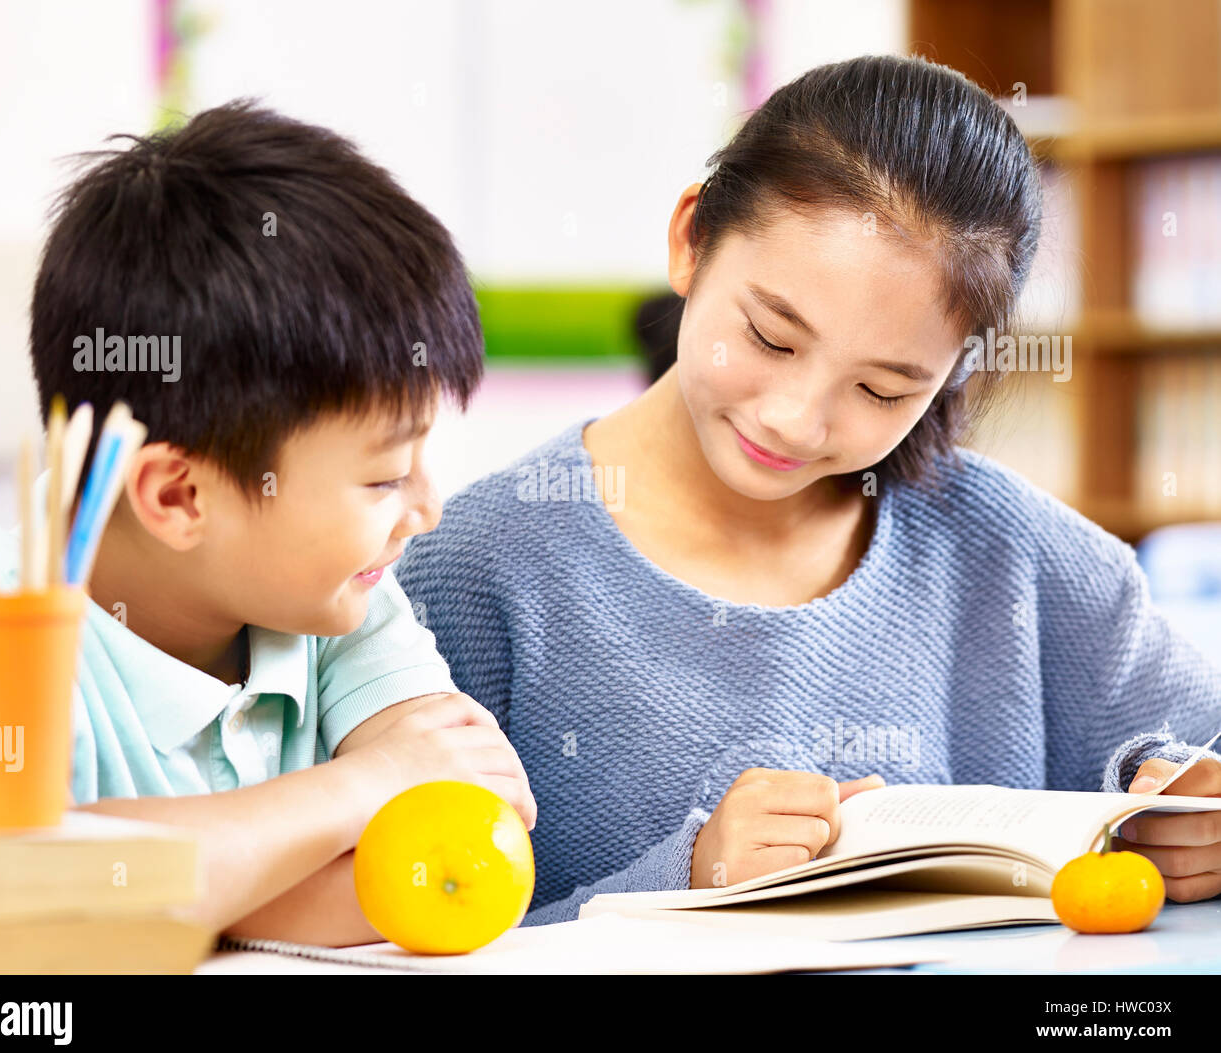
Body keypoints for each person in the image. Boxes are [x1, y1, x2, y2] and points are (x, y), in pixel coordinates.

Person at [395, 54, 1221, 926]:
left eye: (882, 390)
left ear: (950, 378)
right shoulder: (473, 575)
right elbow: (395, 931)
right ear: (691, 239)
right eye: (770, 337)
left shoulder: (1024, 558)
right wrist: (683, 878)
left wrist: (1192, 811)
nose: (795, 420)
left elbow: (1195, 752)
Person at [0, 101, 535, 946]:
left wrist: (166, 884)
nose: (424, 509)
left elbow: (472, 847)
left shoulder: (342, 596)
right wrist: (370, 785)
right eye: (385, 476)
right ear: (177, 496)